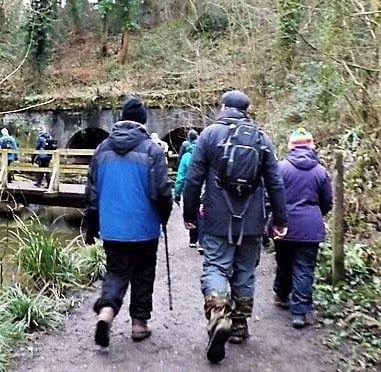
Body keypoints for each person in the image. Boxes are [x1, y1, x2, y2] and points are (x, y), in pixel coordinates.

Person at [182, 90, 288, 363]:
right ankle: (239, 327)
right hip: (252, 221)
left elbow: (193, 179)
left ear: (223, 107)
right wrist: (280, 220)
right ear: (246, 110)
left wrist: (189, 214)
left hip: (217, 220)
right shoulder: (261, 138)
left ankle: (219, 315)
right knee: (245, 271)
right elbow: (275, 182)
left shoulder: (209, 135)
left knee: (216, 267)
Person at [83, 97, 173, 348]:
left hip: (112, 228)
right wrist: (164, 216)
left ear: (121, 119)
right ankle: (139, 324)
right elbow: (162, 191)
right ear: (143, 121)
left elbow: (91, 192)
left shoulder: (101, 150)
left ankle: (106, 312)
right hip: (145, 227)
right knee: (144, 274)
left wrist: (92, 225)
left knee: (115, 273)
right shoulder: (152, 150)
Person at [273, 128, 333, 329]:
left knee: (284, 262)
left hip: (285, 224)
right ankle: (299, 312)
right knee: (305, 268)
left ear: (291, 146)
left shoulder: (280, 168)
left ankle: (282, 295)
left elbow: (272, 196)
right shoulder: (320, 171)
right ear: (311, 146)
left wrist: (273, 220)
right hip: (310, 227)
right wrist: (315, 214)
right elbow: (327, 201)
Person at [174, 131, 202, 252]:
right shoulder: (204, 153)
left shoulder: (186, 156)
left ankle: (192, 240)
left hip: (189, 189)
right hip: (203, 189)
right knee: (202, 214)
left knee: (191, 212)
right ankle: (202, 240)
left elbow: (180, 177)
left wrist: (177, 194)